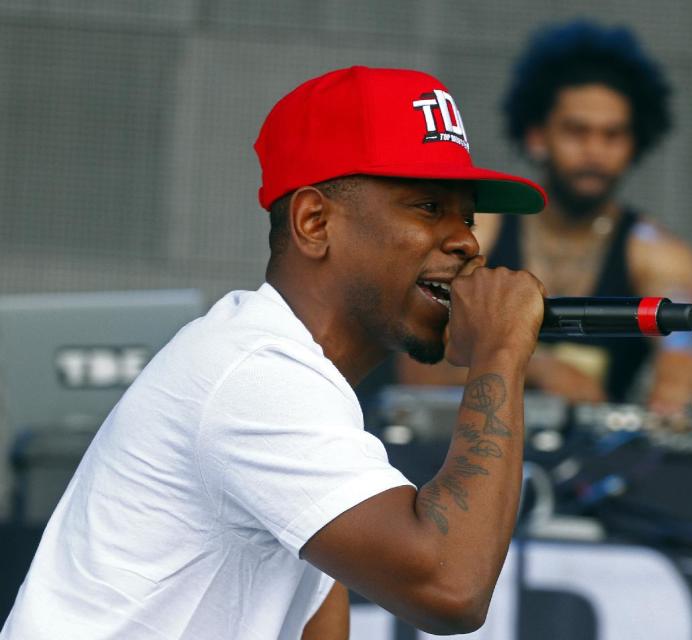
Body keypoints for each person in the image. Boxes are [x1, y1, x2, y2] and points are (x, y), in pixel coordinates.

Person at [1, 67, 547, 639]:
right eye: (428, 207)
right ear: (314, 223)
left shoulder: (296, 383)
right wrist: (500, 353)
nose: (466, 240)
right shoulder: (257, 374)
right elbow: (451, 589)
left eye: (467, 216)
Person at [398, 21, 692, 414]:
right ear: (537, 137)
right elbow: (416, 369)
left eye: (612, 135)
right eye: (576, 131)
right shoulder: (480, 230)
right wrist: (533, 368)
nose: (594, 150)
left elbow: (691, 321)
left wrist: (683, 357)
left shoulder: (655, 250)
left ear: (634, 144)